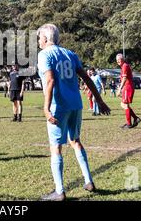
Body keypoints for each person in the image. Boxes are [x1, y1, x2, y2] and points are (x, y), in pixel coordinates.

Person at [36, 24, 110, 201]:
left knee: (56, 147)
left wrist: (46, 108)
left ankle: (59, 191)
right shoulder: (70, 54)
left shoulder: (44, 54)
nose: (39, 41)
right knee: (76, 141)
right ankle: (89, 181)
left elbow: (50, 81)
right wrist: (99, 100)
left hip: (58, 106)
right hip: (76, 104)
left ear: (46, 39)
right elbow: (86, 78)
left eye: (39, 38)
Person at [116, 54, 141, 129]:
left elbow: (124, 78)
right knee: (123, 104)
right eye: (117, 60)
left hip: (128, 87)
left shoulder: (125, 66)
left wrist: (120, 89)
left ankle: (129, 123)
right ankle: (135, 118)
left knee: (125, 105)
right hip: (126, 87)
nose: (118, 61)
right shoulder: (124, 66)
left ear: (123, 59)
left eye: (119, 60)